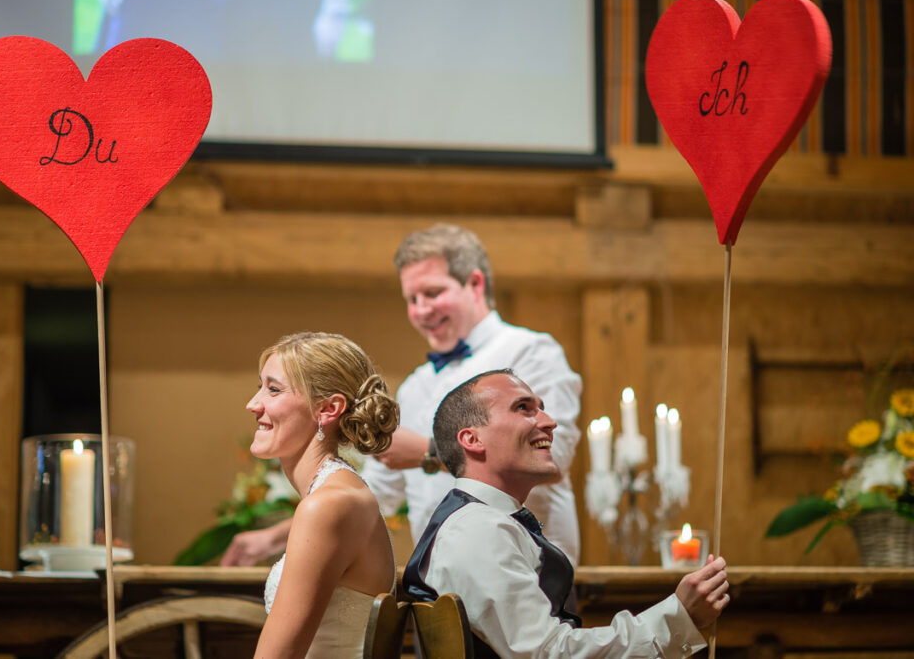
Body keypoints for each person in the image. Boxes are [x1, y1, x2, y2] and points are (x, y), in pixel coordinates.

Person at [222, 223, 584, 566]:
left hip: (528, 564)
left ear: (474, 284)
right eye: (411, 299)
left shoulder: (531, 352)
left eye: (432, 293)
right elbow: (380, 493)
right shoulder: (415, 385)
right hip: (443, 572)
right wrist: (276, 536)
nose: (420, 311)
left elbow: (555, 456)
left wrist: (428, 452)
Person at [403, 369, 729, 658]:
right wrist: (678, 616)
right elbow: (548, 654)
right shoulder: (475, 530)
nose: (549, 421)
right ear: (472, 439)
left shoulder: (483, 522)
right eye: (523, 408)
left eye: (542, 409)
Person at [247, 332, 400, 659]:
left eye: (273, 390)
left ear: (328, 409)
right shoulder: (338, 492)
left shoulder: (330, 504)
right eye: (259, 386)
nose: (253, 403)